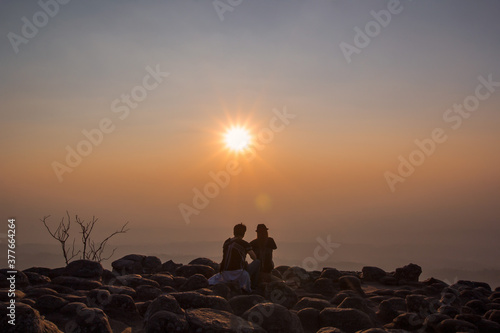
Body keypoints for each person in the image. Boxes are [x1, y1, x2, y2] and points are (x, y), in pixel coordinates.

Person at [208, 223, 260, 292]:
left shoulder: (227, 242)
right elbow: (254, 257)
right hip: (239, 274)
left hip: (225, 273)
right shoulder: (244, 243)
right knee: (258, 262)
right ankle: (254, 285)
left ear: (234, 232)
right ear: (244, 233)